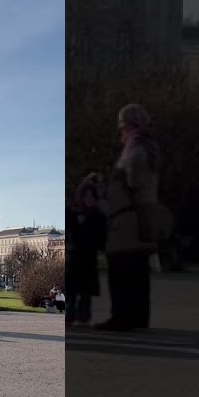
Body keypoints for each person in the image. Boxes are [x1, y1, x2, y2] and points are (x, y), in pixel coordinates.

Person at [99, 103, 160, 332]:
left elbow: (132, 182)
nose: (120, 134)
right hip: (140, 215)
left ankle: (122, 316)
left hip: (127, 218)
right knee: (138, 271)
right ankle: (137, 317)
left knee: (121, 269)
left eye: (122, 128)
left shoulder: (136, 151)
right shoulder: (149, 148)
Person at [69, 176, 108, 327]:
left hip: (88, 256)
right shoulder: (74, 214)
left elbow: (101, 237)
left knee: (85, 291)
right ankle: (70, 316)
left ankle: (84, 317)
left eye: (92, 196)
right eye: (87, 196)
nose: (89, 199)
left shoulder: (98, 216)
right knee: (72, 289)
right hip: (75, 256)